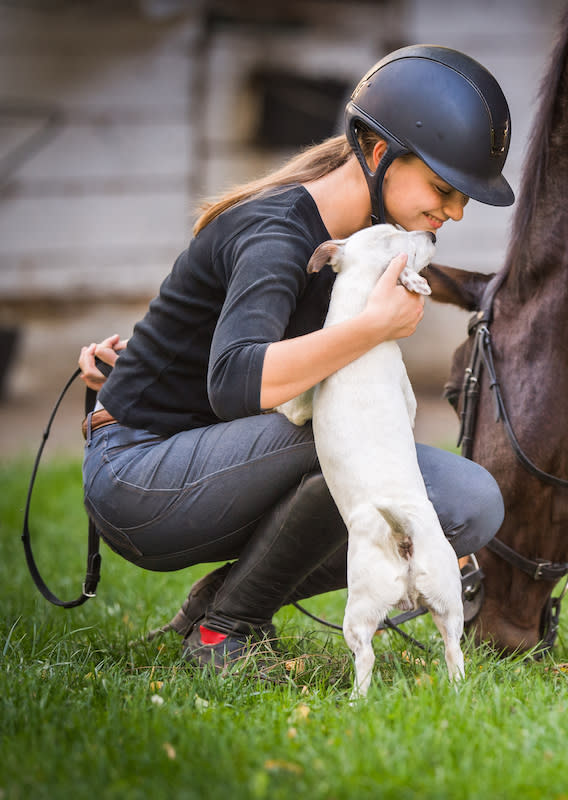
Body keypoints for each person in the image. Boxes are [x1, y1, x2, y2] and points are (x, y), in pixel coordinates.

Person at [77, 45, 512, 669]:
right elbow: (235, 383)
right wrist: (370, 328)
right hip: (139, 480)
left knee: (469, 503)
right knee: (347, 429)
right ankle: (226, 631)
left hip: (214, 462)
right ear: (378, 151)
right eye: (444, 188)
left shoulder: (359, 245)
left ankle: (229, 597)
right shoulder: (277, 233)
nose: (455, 211)